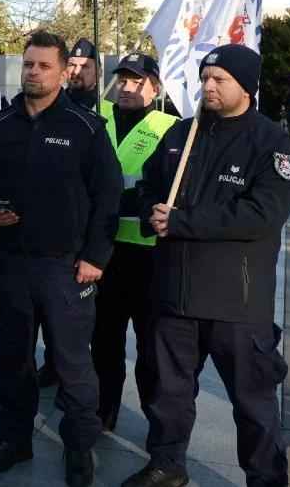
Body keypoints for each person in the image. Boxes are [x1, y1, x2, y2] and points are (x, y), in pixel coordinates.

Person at [126, 45, 290, 487]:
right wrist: (151, 211)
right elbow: (148, 186)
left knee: (253, 400)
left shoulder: (271, 142)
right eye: (205, 77)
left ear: (247, 86)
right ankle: (167, 464)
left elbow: (262, 214)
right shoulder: (181, 134)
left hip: (235, 300)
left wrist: (181, 222)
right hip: (174, 292)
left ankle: (266, 478)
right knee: (168, 391)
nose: (209, 86)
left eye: (220, 79)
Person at [0, 31, 121, 487]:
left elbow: (108, 195)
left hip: (66, 268)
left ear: (62, 72)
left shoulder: (86, 127)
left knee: (73, 365)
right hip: (11, 266)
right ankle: (14, 439)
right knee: (13, 360)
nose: (34, 73)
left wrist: (95, 257)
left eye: (44, 66)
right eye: (29, 65)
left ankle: (78, 447)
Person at [90, 52, 178, 433]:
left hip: (148, 255)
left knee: (150, 345)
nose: (127, 87)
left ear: (155, 88)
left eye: (137, 81)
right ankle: (104, 409)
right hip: (104, 251)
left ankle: (157, 420)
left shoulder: (170, 128)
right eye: (122, 80)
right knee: (104, 338)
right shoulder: (97, 119)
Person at [66, 38, 102, 112]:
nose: (76, 72)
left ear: (99, 72)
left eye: (84, 66)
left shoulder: (108, 110)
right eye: (72, 65)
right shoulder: (52, 103)